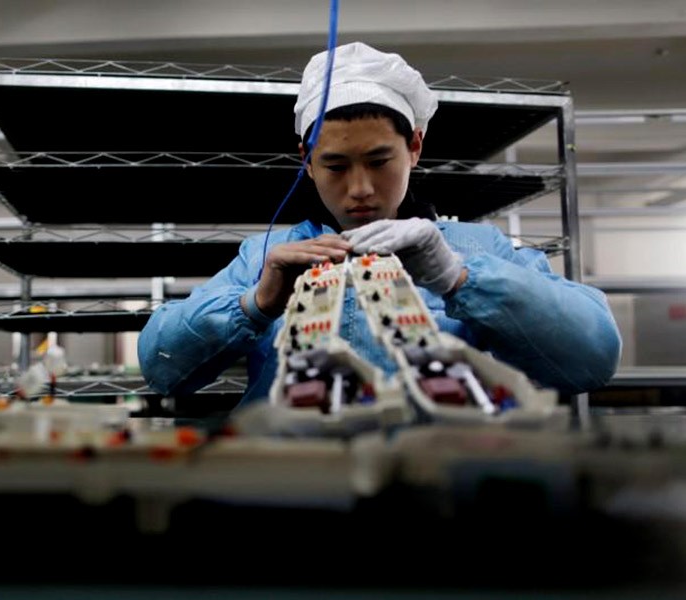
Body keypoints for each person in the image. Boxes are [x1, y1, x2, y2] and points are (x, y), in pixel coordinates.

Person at [138, 41, 621, 407]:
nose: (361, 188)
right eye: (336, 166)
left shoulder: (477, 248)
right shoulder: (268, 257)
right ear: (306, 160)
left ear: (414, 146)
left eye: (379, 160)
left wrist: (458, 276)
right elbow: (162, 370)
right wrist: (257, 303)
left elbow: (592, 359)